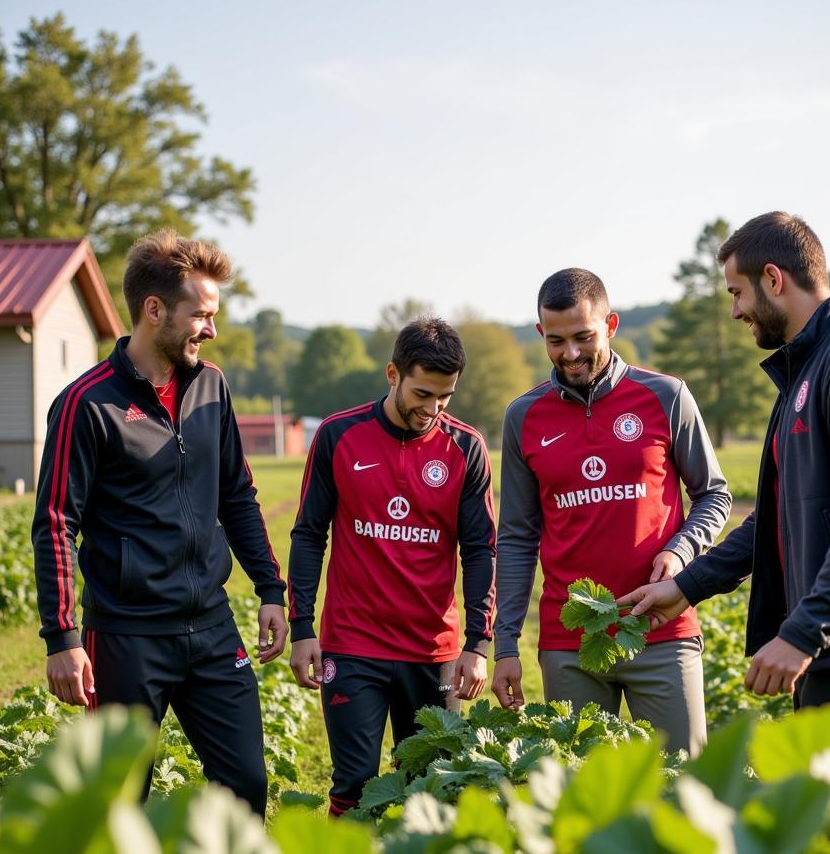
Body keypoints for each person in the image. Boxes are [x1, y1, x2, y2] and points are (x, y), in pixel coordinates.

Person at [619, 211, 830, 762]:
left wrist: (803, 632)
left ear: (774, 279)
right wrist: (687, 586)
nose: (734, 311)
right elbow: (779, 514)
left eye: (737, 292)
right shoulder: (810, 368)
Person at [32, 229, 288, 817]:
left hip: (212, 627)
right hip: (125, 636)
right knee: (118, 805)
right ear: (154, 311)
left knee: (246, 787)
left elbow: (238, 495)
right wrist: (63, 638)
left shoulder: (211, 386)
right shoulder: (86, 403)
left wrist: (270, 590)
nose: (211, 329)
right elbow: (54, 522)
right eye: (201, 315)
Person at [491, 268, 731, 755]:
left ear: (611, 325)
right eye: (556, 341)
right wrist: (506, 643)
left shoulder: (665, 396)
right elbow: (516, 537)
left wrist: (681, 552)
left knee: (683, 788)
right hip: (570, 641)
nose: (570, 354)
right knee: (586, 798)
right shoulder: (523, 417)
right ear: (541, 333)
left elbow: (715, 494)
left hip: (660, 627)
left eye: (584, 336)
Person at [287, 317, 496, 816]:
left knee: (433, 787)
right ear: (392, 374)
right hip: (352, 644)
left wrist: (479, 643)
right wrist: (301, 628)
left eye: (445, 397)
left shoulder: (466, 448)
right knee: (354, 786)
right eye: (423, 393)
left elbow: (481, 550)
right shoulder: (339, 436)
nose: (433, 409)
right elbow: (309, 534)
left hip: (433, 650)